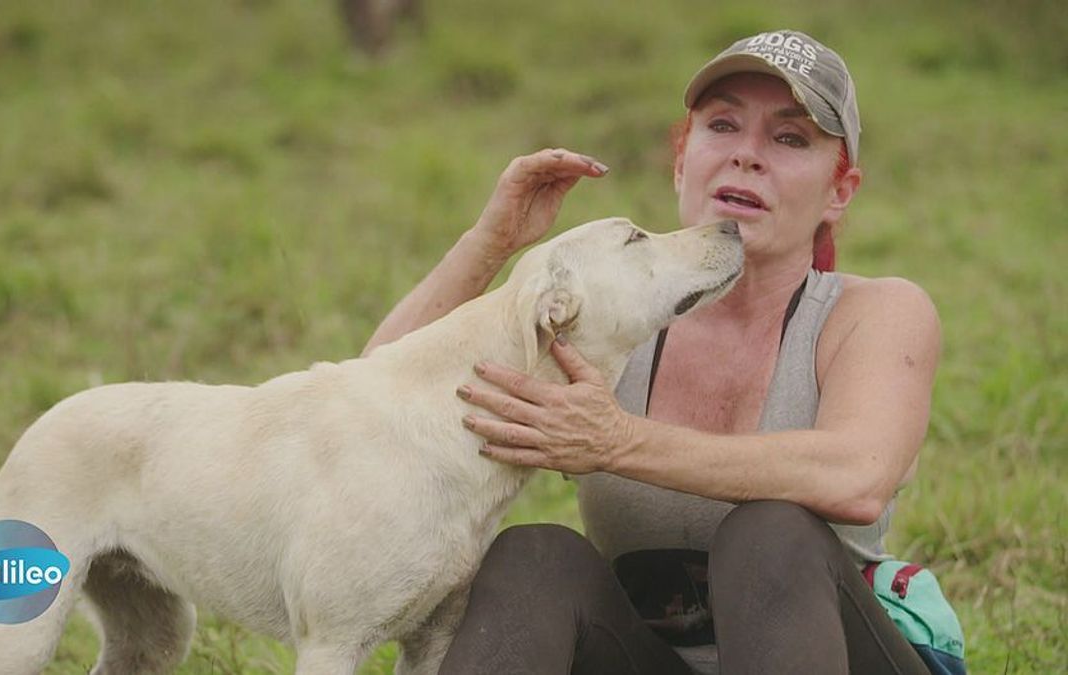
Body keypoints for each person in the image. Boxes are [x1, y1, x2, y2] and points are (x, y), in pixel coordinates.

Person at [363, 30, 942, 674]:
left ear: (840, 191)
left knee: (769, 535)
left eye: (789, 138)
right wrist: (489, 244)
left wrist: (616, 443)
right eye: (722, 126)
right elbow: (373, 408)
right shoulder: (611, 321)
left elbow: (857, 476)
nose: (747, 156)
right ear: (680, 158)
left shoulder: (875, 312)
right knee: (536, 556)